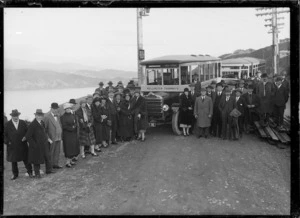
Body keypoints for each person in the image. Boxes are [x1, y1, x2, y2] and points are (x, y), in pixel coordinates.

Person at [4, 109, 33, 180]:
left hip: (23, 145)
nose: (15, 117)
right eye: (14, 116)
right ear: (11, 116)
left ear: (18, 116)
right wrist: (7, 142)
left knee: (26, 159)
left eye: (16, 116)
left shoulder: (23, 122)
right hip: (12, 146)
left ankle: (30, 172)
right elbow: (4, 135)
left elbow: (28, 131)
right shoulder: (7, 124)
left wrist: (25, 137)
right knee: (14, 161)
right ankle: (15, 174)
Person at [25, 109, 54, 178]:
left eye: (41, 115)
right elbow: (28, 136)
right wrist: (34, 145)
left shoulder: (42, 122)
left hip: (44, 144)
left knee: (47, 156)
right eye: (38, 115)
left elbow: (44, 132)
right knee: (37, 159)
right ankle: (37, 173)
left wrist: (48, 139)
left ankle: (49, 170)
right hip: (36, 146)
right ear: (35, 115)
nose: (40, 117)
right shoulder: (32, 124)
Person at [43, 103, 63, 169]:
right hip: (51, 138)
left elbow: (59, 124)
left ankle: (55, 164)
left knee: (57, 151)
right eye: (54, 109)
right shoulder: (47, 117)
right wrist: (48, 138)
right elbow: (44, 129)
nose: (55, 110)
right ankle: (50, 166)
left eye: (56, 109)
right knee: (51, 152)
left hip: (58, 136)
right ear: (51, 109)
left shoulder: (58, 115)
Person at [60, 103, 80, 168]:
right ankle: (67, 162)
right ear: (65, 110)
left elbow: (76, 123)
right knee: (68, 148)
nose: (68, 110)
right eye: (67, 109)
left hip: (73, 134)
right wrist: (72, 128)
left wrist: (75, 127)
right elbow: (64, 126)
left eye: (69, 108)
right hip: (67, 134)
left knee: (73, 147)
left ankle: (71, 160)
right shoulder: (63, 117)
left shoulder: (73, 115)